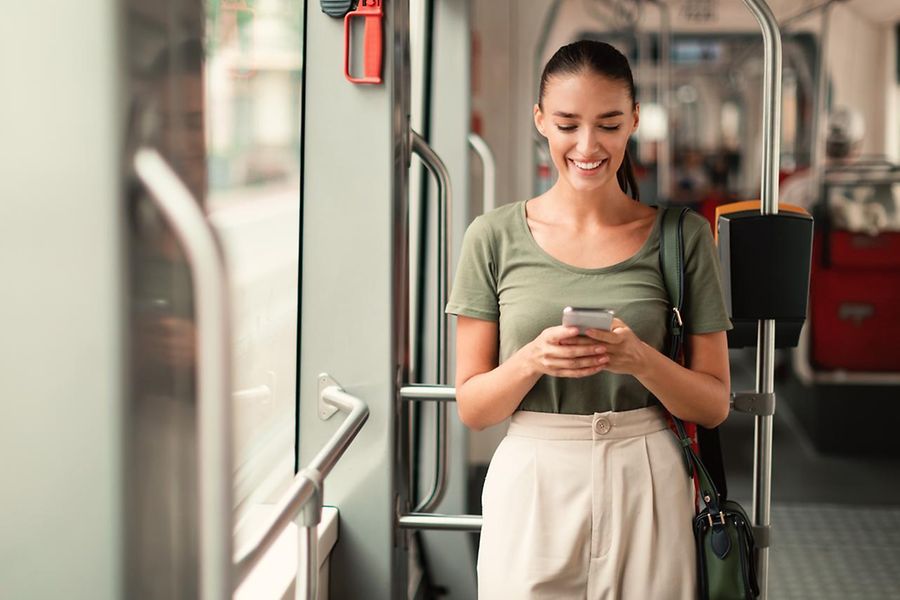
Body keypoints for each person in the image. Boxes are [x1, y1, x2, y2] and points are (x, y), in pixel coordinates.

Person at [445, 40, 732, 599]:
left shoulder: (683, 236)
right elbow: (475, 408)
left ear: (634, 123)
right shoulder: (493, 236)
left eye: (607, 124)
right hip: (533, 479)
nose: (587, 145)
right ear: (540, 122)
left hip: (648, 474)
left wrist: (639, 359)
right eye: (567, 124)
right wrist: (532, 359)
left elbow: (714, 403)